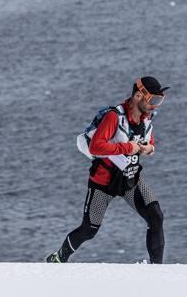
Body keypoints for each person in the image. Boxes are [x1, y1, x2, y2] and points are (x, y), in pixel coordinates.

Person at [46, 76, 168, 264]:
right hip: (103, 183)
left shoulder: (146, 118)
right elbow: (96, 147)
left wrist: (149, 148)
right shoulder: (114, 116)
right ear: (137, 96)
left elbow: (149, 141)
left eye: (159, 101)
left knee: (156, 216)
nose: (155, 106)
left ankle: (157, 271)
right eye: (153, 100)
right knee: (89, 229)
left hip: (130, 180)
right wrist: (129, 148)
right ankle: (58, 258)